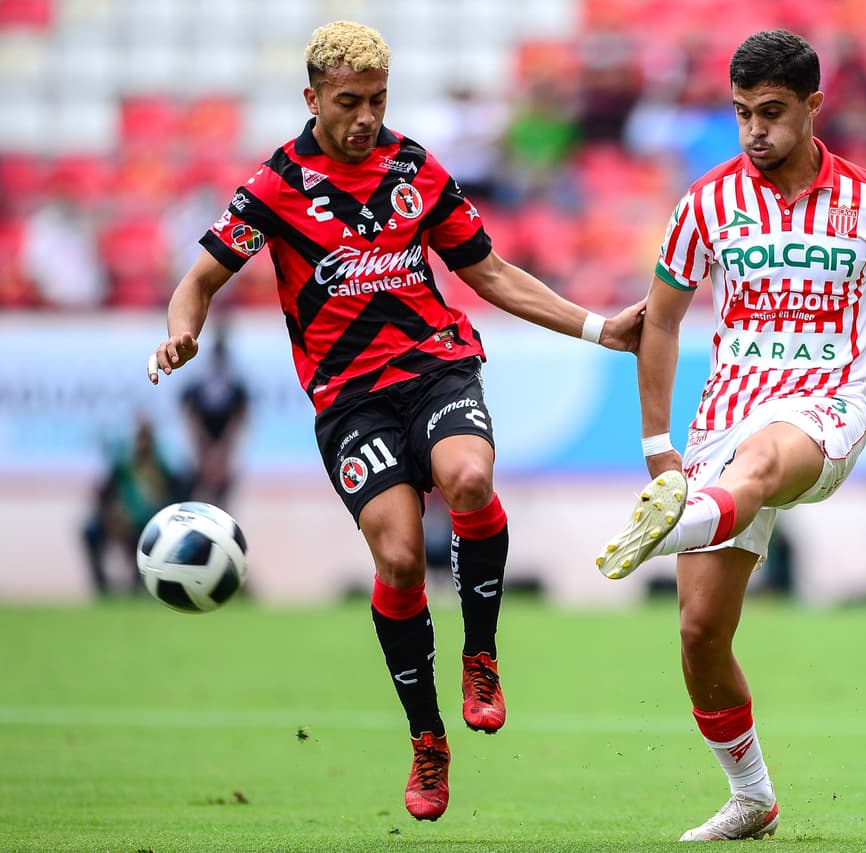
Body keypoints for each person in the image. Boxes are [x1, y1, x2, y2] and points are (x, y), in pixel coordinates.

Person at [146, 21, 643, 822]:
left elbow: (490, 272)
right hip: (350, 400)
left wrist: (598, 327)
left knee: (469, 476)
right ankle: (426, 739)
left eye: (377, 100)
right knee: (403, 558)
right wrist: (183, 328)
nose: (366, 118)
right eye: (349, 102)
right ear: (312, 97)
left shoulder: (414, 167)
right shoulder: (278, 184)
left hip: (437, 365)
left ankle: (479, 653)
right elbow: (198, 278)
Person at [593, 30, 866, 841]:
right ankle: (752, 796)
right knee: (698, 634)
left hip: (823, 407)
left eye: (770, 113)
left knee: (761, 461)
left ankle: (668, 527)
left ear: (812, 106)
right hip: (722, 416)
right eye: (741, 114)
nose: (755, 130)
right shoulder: (705, 204)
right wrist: (660, 450)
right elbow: (659, 322)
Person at [82, 417, 185, 597]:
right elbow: (104, 497)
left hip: (149, 523)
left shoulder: (163, 467)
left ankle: (140, 585)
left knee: (146, 535)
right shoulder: (123, 466)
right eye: (139, 438)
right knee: (90, 531)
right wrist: (110, 516)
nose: (142, 444)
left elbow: (176, 500)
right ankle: (102, 586)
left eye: (146, 438)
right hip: (119, 520)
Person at [180, 330, 250, 506]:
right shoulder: (203, 383)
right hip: (206, 441)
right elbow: (191, 414)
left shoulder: (232, 385)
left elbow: (238, 417)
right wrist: (206, 446)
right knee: (199, 483)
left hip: (220, 441)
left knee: (220, 487)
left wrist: (222, 447)